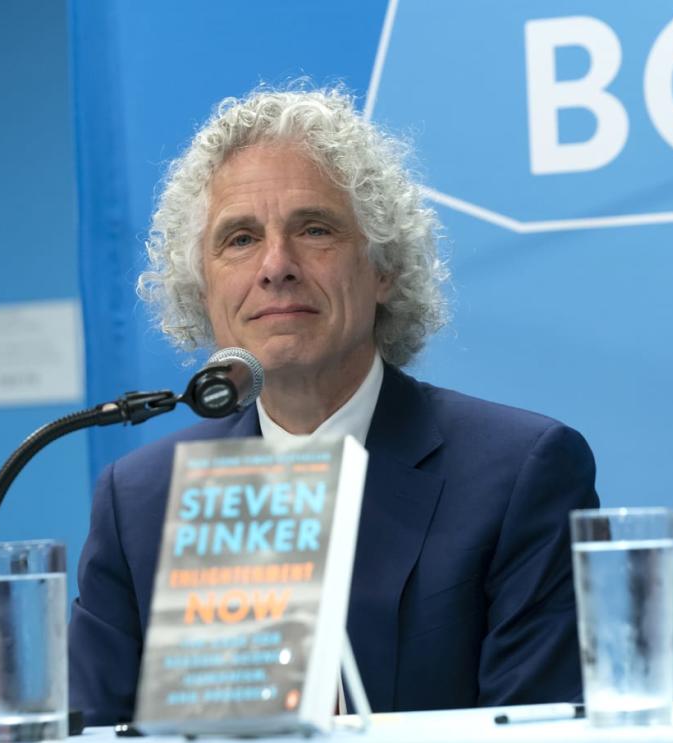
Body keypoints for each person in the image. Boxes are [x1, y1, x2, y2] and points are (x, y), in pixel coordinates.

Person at [68, 86, 599, 725]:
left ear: (383, 269)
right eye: (239, 239)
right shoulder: (142, 500)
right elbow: (92, 732)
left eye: (314, 229)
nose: (276, 266)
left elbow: (533, 735)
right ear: (202, 290)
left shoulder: (520, 474)